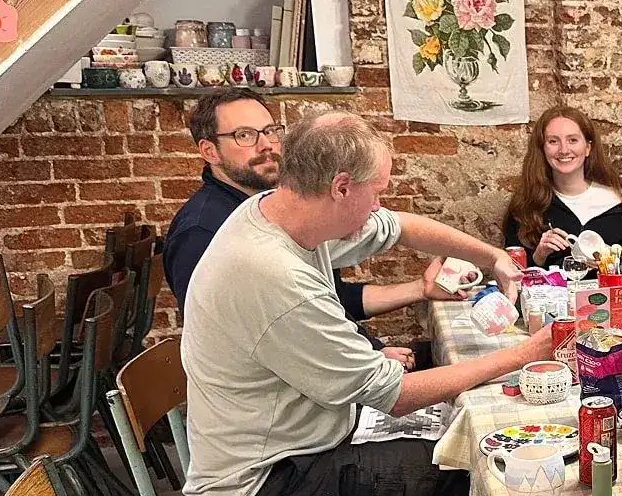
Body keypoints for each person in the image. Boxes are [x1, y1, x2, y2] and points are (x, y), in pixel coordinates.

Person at [182, 111, 550, 496]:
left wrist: (494, 258)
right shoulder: (271, 274)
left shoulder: (285, 213)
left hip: (298, 441)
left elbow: (400, 227)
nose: (385, 197)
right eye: (377, 185)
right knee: (477, 476)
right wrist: (527, 355)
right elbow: (394, 394)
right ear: (341, 187)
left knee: (454, 439)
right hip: (263, 487)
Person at [166, 88, 450, 371]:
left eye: (270, 130)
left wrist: (419, 290)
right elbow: (277, 334)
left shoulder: (270, 203)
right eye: (244, 135)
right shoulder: (201, 231)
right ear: (209, 151)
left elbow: (329, 297)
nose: (266, 144)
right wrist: (372, 353)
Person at [503, 105, 622, 269]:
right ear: (542, 149)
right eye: (553, 141)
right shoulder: (525, 206)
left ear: (588, 147)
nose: (564, 150)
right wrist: (539, 256)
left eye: (573, 140)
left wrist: (610, 265)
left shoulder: (620, 204)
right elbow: (512, 276)